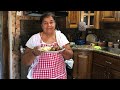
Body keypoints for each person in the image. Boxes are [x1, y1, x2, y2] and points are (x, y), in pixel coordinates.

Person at [22, 12, 73, 79]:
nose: (49, 25)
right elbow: (25, 62)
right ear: (41, 25)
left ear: (55, 24)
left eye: (51, 22)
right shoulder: (34, 38)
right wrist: (33, 53)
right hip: (38, 76)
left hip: (59, 76)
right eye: (45, 23)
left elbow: (70, 56)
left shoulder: (60, 37)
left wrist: (62, 50)